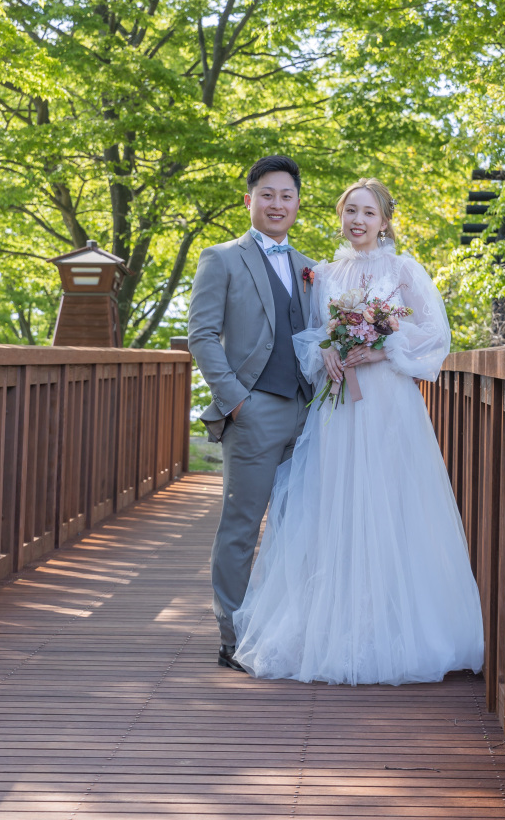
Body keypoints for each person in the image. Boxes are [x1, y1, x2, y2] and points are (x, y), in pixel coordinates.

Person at [232, 177, 484, 685]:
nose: (358, 221)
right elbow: (309, 335)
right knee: (334, 504)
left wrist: (385, 346)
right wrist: (325, 351)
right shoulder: (322, 274)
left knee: (390, 504)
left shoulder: (403, 269)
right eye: (351, 210)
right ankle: (330, 629)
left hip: (389, 406)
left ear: (384, 220)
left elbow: (435, 333)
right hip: (339, 408)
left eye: (368, 212)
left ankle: (397, 629)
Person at [187, 154, 316, 669]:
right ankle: (232, 634)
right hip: (253, 410)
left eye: (286, 195)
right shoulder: (220, 258)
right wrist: (236, 400)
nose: (277, 204)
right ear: (249, 200)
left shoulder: (310, 266)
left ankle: (281, 626)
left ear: (298, 203)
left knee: (297, 526)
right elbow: (201, 335)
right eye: (267, 194)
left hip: (307, 415)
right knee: (242, 524)